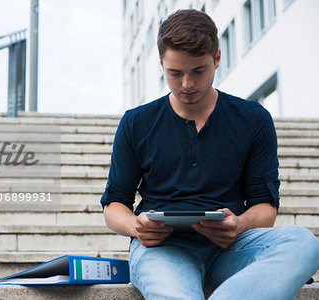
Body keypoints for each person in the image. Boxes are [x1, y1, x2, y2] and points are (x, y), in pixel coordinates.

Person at [100, 9, 319, 300]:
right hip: (162, 250)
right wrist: (136, 226)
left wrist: (238, 224)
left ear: (217, 58)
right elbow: (114, 204)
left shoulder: (253, 119)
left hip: (233, 246)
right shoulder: (135, 122)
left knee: (302, 242)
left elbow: (265, 208)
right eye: (175, 73)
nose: (187, 84)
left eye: (198, 71)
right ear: (161, 63)